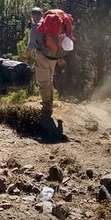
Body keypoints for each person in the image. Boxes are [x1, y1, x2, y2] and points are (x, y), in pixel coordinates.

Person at [24, 7, 68, 140]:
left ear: (32, 15)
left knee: (43, 82)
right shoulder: (53, 24)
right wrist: (60, 57)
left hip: (42, 56)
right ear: (42, 14)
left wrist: (25, 58)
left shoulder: (36, 27)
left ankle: (47, 108)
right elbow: (58, 43)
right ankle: (49, 103)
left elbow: (31, 45)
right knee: (49, 79)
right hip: (54, 57)